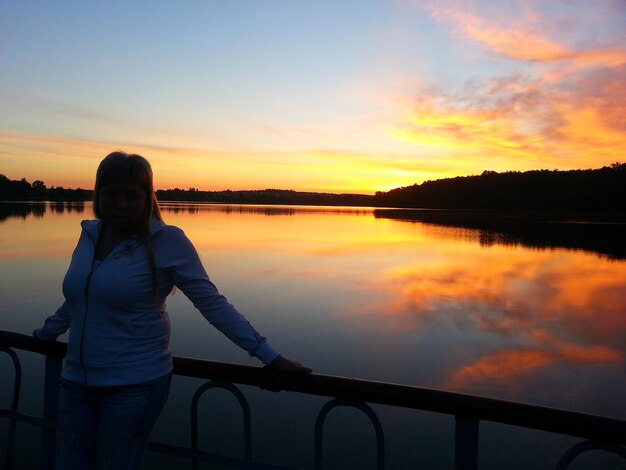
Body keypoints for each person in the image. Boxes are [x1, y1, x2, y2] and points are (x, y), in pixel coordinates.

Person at [33, 151, 311, 470]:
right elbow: (81, 298)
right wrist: (46, 334)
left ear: (148, 197)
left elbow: (212, 303)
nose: (121, 204)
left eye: (131, 195)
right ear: (98, 194)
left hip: (132, 387)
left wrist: (268, 354)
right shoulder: (90, 235)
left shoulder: (167, 241)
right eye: (111, 193)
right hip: (75, 383)